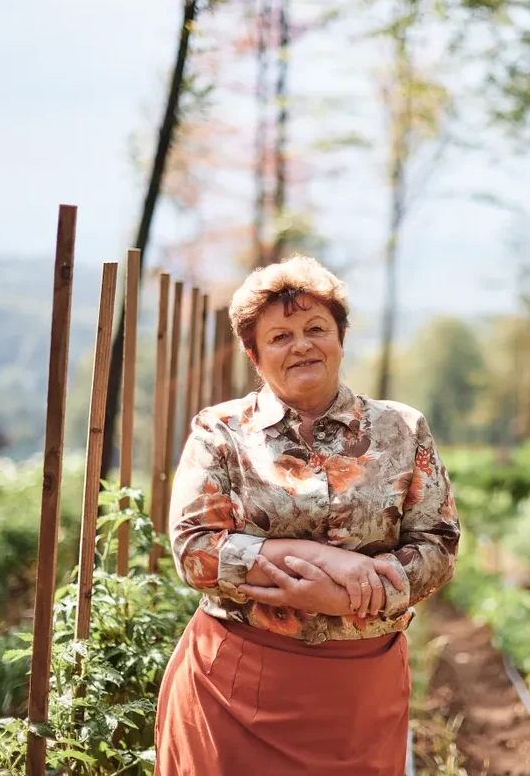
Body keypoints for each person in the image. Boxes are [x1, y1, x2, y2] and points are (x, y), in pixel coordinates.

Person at [154, 255, 460, 775]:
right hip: (236, 691)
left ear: (340, 338)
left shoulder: (402, 430)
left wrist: (343, 597)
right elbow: (194, 550)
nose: (301, 345)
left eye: (315, 328)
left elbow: (439, 545)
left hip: (359, 696)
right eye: (279, 336)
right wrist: (313, 557)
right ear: (254, 354)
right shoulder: (221, 431)